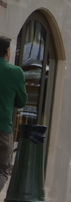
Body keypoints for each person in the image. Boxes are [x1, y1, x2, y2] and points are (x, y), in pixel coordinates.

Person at [0, 36, 28, 193]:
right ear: (7, 52)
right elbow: (22, 101)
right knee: (2, 169)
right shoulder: (15, 72)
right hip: (3, 129)